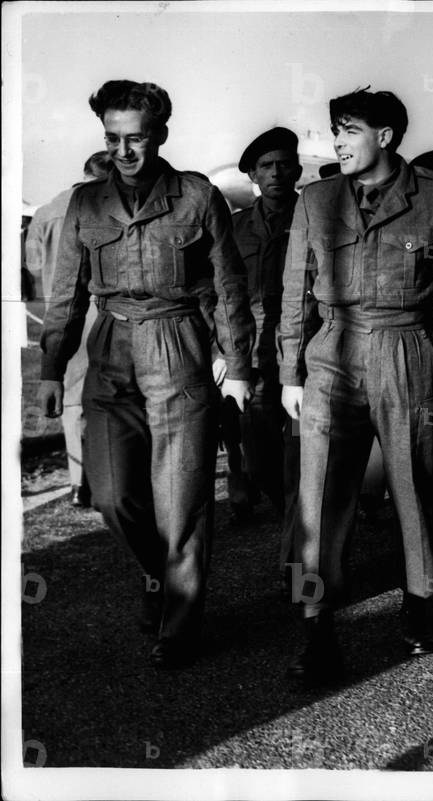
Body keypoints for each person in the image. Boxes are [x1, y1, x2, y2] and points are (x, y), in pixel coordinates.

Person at [38, 80, 254, 669]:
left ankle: (181, 624)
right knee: (112, 497)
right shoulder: (86, 203)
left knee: (181, 500)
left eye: (135, 139)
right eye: (113, 140)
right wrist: (52, 370)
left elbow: (230, 287)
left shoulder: (195, 196)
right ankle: (160, 578)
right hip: (109, 350)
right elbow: (65, 296)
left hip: (177, 342)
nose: (124, 152)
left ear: (160, 134)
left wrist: (237, 367)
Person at [278, 88, 433, 686]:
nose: (337, 142)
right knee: (320, 501)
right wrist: (288, 371)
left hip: (407, 347)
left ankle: (421, 603)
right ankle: (316, 627)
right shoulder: (316, 199)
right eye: (335, 131)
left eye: (349, 130)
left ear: (385, 136)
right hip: (332, 353)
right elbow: (293, 290)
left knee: (416, 483)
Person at [216, 127, 304, 576]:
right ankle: (290, 520)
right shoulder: (233, 228)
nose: (275, 172)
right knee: (264, 461)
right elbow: (218, 293)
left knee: (301, 465)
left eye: (284, 163)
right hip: (253, 358)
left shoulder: (315, 218)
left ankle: (300, 566)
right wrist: (223, 352)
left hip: (305, 357)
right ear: (251, 174)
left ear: (298, 170)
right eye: (265, 165)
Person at [25, 151, 112, 507]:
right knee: (113, 395)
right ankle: (109, 477)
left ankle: (79, 484)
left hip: (57, 312)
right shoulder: (103, 207)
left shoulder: (46, 211)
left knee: (71, 398)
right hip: (100, 309)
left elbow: (33, 267)